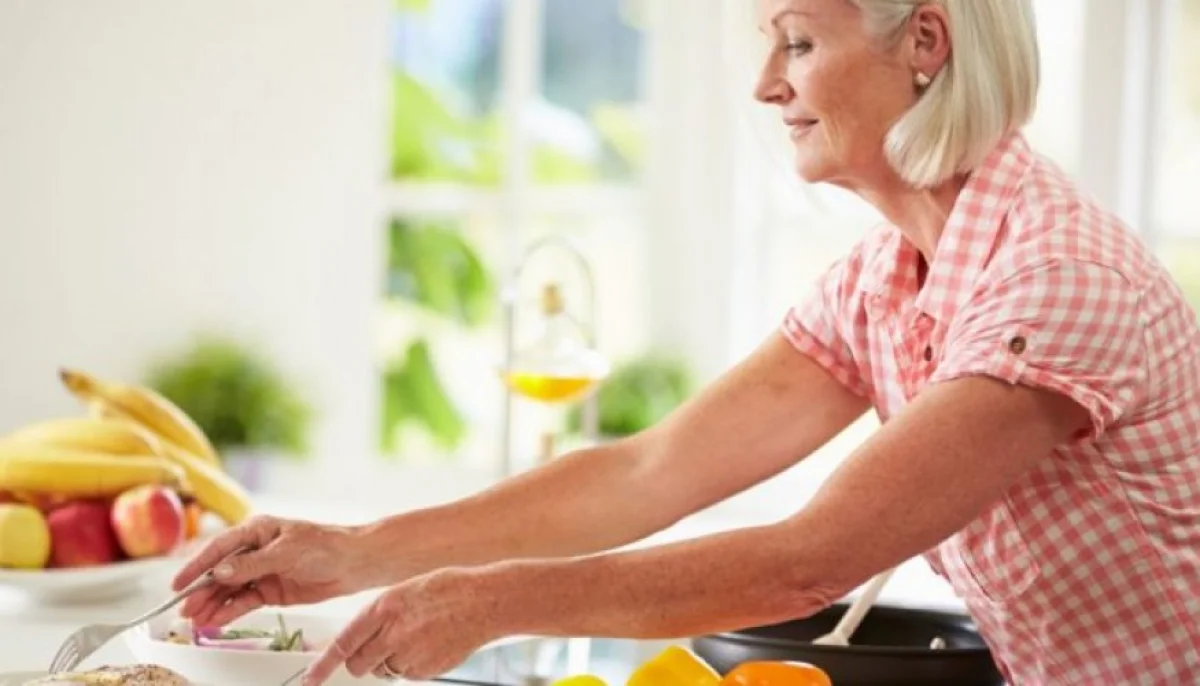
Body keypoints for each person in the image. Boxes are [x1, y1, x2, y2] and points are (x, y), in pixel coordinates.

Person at [172, 1, 1200, 683]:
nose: (765, 84)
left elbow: (810, 562)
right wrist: (355, 551)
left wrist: (491, 600)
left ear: (925, 42)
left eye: (796, 41)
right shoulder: (887, 279)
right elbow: (649, 469)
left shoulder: (1057, 278)